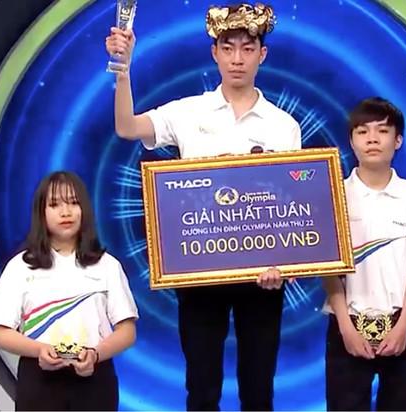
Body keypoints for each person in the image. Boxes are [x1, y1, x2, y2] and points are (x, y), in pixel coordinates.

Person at [106, 3, 300, 410]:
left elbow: (290, 202)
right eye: (228, 48)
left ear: (262, 54)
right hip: (199, 267)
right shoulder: (187, 111)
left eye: (247, 49)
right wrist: (122, 68)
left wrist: (283, 264)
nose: (237, 59)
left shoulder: (284, 125)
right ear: (214, 53)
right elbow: (127, 127)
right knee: (201, 386)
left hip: (262, 273)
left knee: (259, 388)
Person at [322, 97, 406, 411]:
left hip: (401, 326)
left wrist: (403, 327)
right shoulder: (334, 196)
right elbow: (328, 269)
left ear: (398, 140)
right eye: (363, 132)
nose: (372, 139)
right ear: (352, 140)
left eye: (383, 131)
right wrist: (346, 329)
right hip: (346, 328)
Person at [0, 171, 138, 411]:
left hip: (95, 378)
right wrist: (40, 350)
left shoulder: (107, 265)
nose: (65, 212)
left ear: (84, 210)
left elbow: (127, 331)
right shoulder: (21, 266)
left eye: (73, 203)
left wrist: (95, 354)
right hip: (39, 380)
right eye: (55, 204)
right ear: (41, 212)